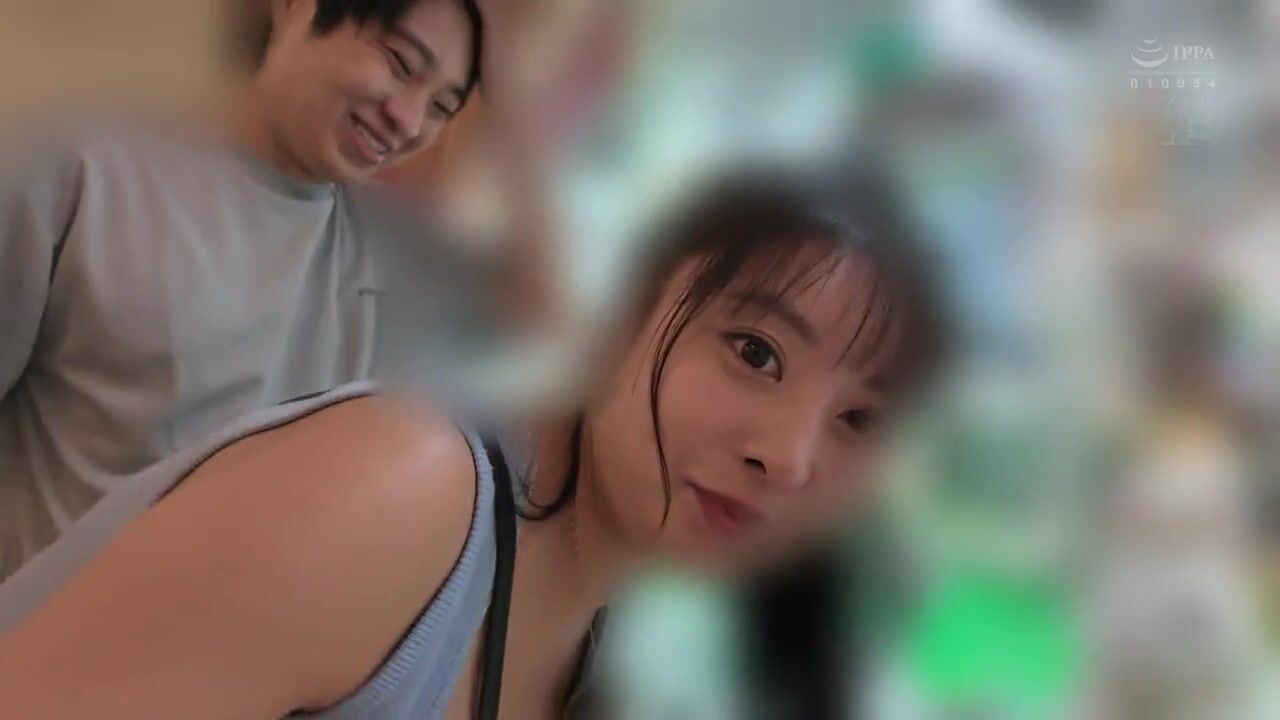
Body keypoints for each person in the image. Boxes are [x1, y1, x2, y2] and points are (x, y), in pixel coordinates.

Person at [0, 166, 949, 719]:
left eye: (858, 419)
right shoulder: (401, 491)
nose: (789, 456)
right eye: (755, 351)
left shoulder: (613, 635)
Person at [0, 0, 555, 580]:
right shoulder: (78, 169)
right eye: (399, 63)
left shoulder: (392, 252)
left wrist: (513, 91)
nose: (410, 120)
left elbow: (543, 322)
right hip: (51, 628)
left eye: (442, 106)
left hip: (253, 635)